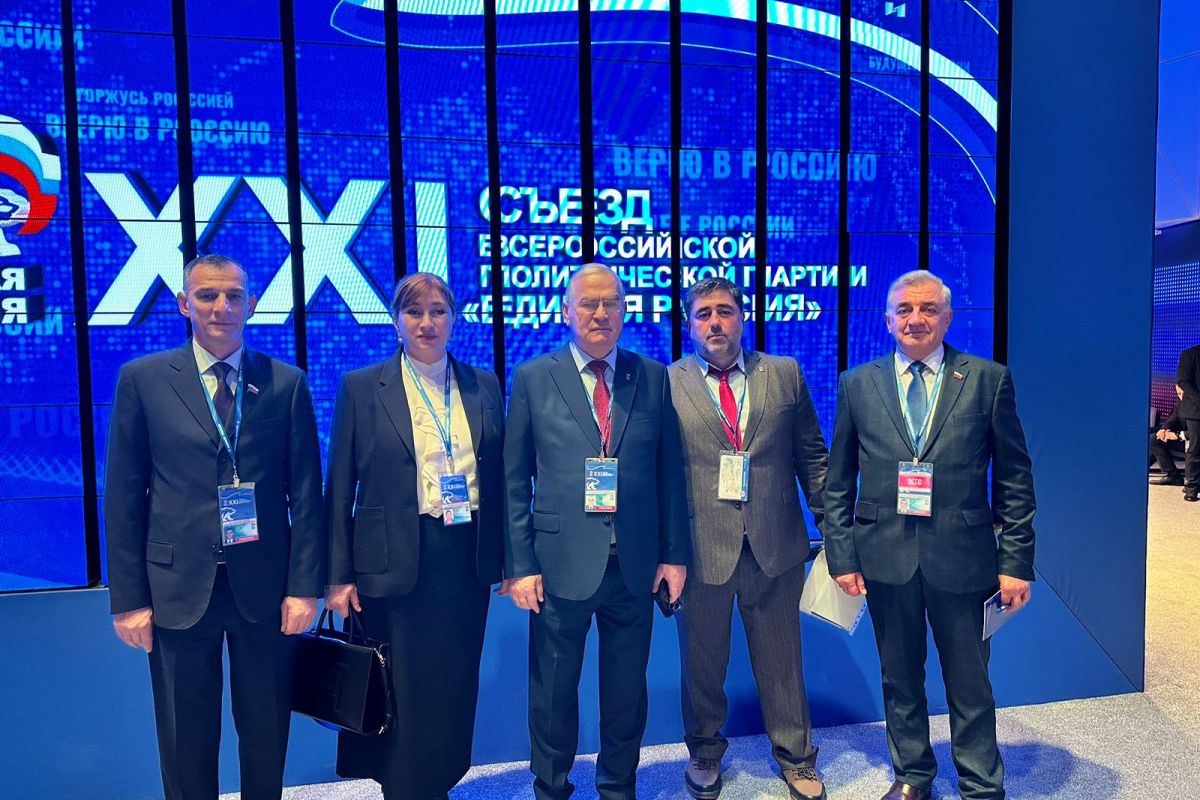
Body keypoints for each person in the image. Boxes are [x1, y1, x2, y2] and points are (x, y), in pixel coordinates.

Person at [105, 254, 325, 800]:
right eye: (207, 295)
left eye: (233, 295)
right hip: (177, 587)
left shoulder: (286, 382)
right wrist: (128, 599)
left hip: (266, 588)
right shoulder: (143, 380)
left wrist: (305, 588)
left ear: (252, 304)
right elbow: (125, 497)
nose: (221, 306)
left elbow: (306, 496)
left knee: (266, 730)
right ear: (185, 304)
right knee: (185, 737)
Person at [824, 270, 1036, 800]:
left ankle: (981, 783)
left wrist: (1015, 561)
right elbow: (838, 481)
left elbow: (1014, 478)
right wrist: (841, 556)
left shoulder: (987, 378)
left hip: (964, 557)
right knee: (899, 679)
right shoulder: (857, 383)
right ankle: (913, 776)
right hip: (883, 557)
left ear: (947, 318)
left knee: (970, 682)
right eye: (904, 310)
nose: (915, 319)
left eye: (927, 309)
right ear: (887, 320)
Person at [503, 263, 690, 800]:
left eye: (611, 302)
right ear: (567, 311)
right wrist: (520, 565)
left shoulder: (651, 376)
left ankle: (618, 788)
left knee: (626, 693)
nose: (600, 313)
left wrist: (674, 554)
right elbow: (514, 480)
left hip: (634, 564)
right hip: (558, 564)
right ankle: (551, 787)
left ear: (625, 311)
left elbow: (669, 473)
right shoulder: (533, 377)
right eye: (588, 303)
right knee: (553, 691)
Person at [324, 273, 505, 800]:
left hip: (464, 557)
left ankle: (439, 781)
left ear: (453, 319)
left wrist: (510, 558)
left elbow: (501, 479)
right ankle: (403, 787)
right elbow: (339, 488)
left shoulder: (483, 384)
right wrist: (337, 576)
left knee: (452, 681)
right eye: (414, 312)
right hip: (391, 560)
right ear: (396, 320)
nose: (427, 323)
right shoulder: (362, 386)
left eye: (438, 311)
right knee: (400, 684)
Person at [667, 277, 828, 800]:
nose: (715, 322)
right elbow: (659, 475)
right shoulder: (668, 382)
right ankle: (704, 751)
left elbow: (813, 457)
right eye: (703, 314)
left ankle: (798, 758)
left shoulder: (784, 372)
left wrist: (833, 531)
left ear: (742, 316)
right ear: (689, 324)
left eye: (725, 311)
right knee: (702, 664)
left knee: (782, 661)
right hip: (701, 549)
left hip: (776, 544)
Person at [1149, 385, 1186, 486]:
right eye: (1178, 394)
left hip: (1193, 440)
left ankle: (1174, 476)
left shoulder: (1195, 404)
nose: (1181, 397)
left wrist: (1177, 435)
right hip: (1182, 438)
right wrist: (1163, 430)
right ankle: (1173, 475)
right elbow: (1173, 418)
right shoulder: (1180, 402)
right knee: (1155, 438)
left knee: (1154, 439)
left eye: (1182, 394)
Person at [1177, 344, 1200, 501]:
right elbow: (1183, 381)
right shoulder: (1189, 354)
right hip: (1195, 409)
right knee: (1196, 448)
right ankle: (1191, 487)